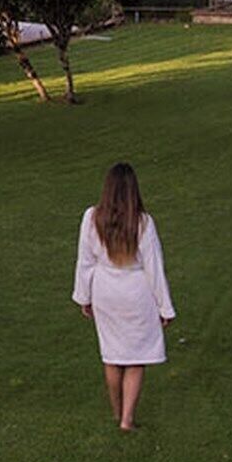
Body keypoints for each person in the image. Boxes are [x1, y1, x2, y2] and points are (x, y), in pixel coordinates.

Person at [71, 160, 174, 430]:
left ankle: (117, 412)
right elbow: (154, 267)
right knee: (136, 356)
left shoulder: (91, 218)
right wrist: (165, 308)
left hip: (105, 291)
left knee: (112, 353)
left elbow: (85, 260)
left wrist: (84, 296)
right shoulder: (142, 222)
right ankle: (127, 419)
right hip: (136, 293)